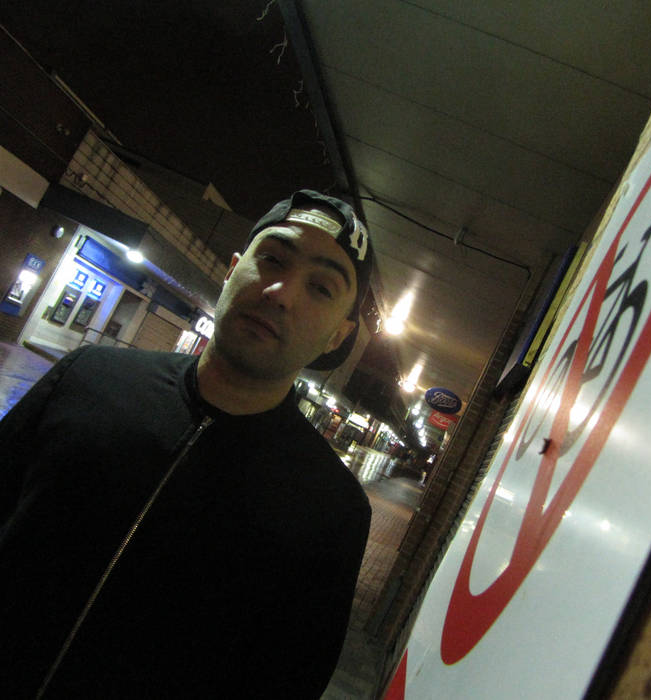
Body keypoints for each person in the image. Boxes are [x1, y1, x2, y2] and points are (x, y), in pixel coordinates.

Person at [0, 190, 373, 699]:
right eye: (272, 259)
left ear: (338, 336)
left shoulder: (331, 512)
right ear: (233, 270)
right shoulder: (89, 376)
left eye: (322, 288)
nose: (281, 292)